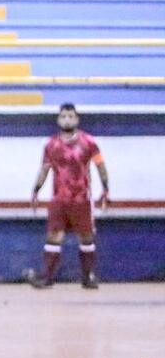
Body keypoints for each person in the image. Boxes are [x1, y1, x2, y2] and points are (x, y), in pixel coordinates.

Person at [28, 104, 108, 290]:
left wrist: (106, 187)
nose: (67, 120)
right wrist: (36, 189)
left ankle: (88, 277)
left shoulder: (89, 142)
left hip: (81, 199)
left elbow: (100, 166)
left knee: (86, 238)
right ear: (58, 120)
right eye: (63, 116)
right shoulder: (51, 145)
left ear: (77, 119)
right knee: (53, 237)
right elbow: (44, 169)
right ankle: (46, 277)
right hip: (59, 199)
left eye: (71, 116)